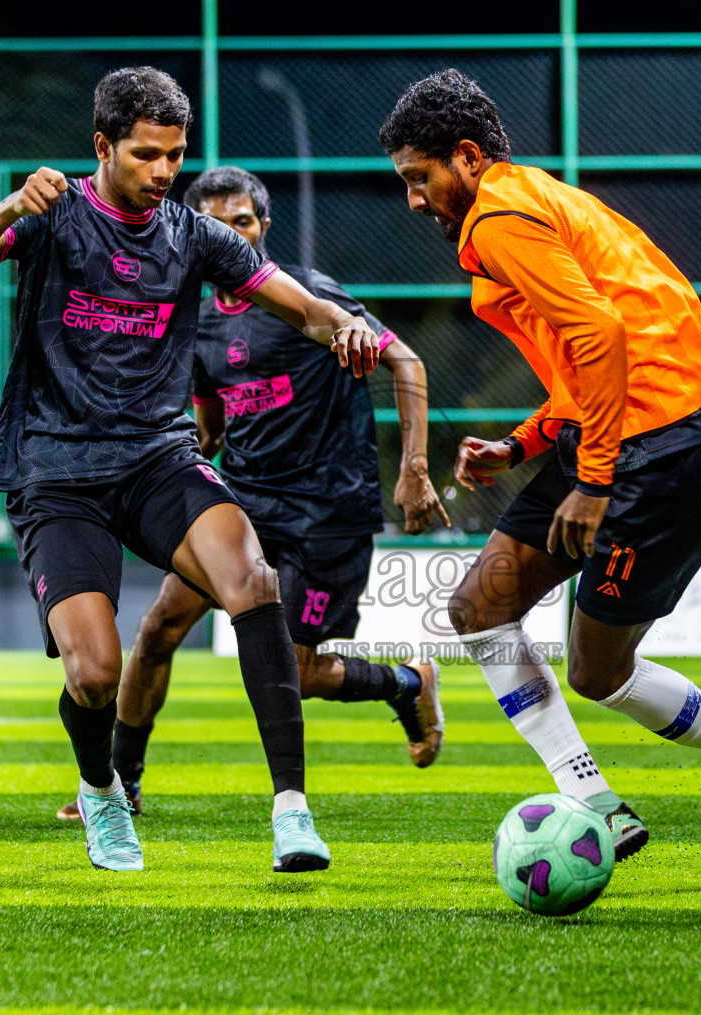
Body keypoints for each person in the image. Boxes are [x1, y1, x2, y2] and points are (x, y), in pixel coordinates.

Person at [0, 67, 382, 874]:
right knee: (97, 671)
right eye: (147, 155)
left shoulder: (194, 234)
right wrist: (10, 205)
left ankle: (292, 812)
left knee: (250, 578)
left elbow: (301, 304)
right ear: (102, 146)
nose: (165, 172)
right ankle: (103, 790)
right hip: (56, 471)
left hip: (156, 456)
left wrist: (346, 331)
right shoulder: (55, 214)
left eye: (175, 155)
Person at [378, 70, 701, 860]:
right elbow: (604, 352)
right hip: (634, 441)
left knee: (597, 671)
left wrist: (593, 480)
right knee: (478, 609)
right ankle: (597, 803)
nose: (414, 200)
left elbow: (602, 338)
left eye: (419, 177)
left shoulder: (500, 218)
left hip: (658, 459)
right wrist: (525, 443)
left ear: (466, 158)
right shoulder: (528, 198)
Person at [55, 166, 450, 823]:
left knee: (293, 670)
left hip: (328, 512)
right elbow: (211, 416)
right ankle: (122, 784)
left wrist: (414, 468)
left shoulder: (310, 298)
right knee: (157, 629)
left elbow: (405, 361)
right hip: (246, 504)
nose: (228, 234)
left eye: (240, 221)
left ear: (262, 228)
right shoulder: (200, 318)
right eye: (212, 225)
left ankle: (406, 683)